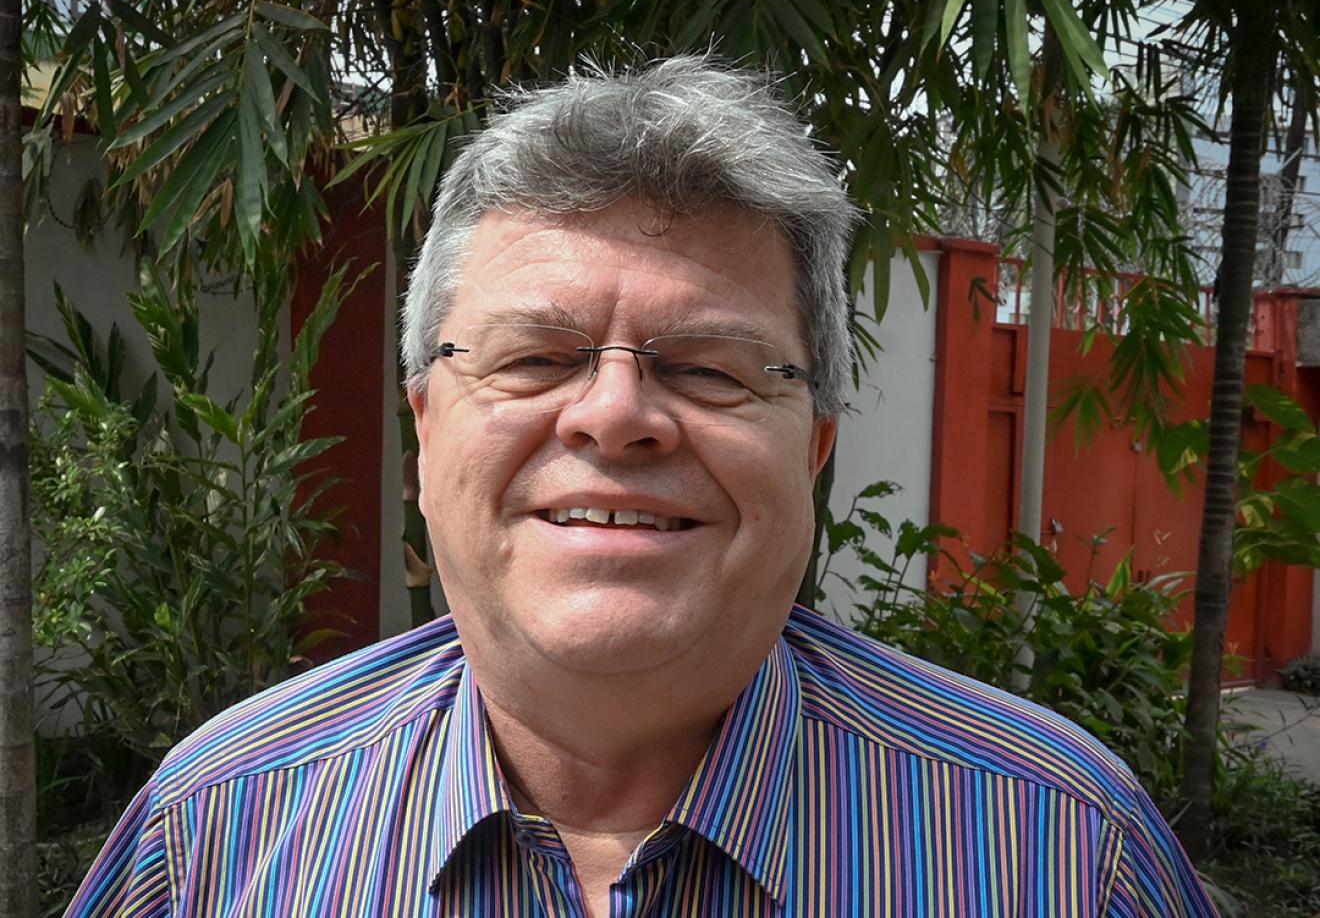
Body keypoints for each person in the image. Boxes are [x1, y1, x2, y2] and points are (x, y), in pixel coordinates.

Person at [66, 55, 1217, 917]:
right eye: (534, 359)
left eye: (710, 369)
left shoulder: (1064, 849)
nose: (614, 415)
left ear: (813, 449)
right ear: (425, 429)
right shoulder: (216, 829)